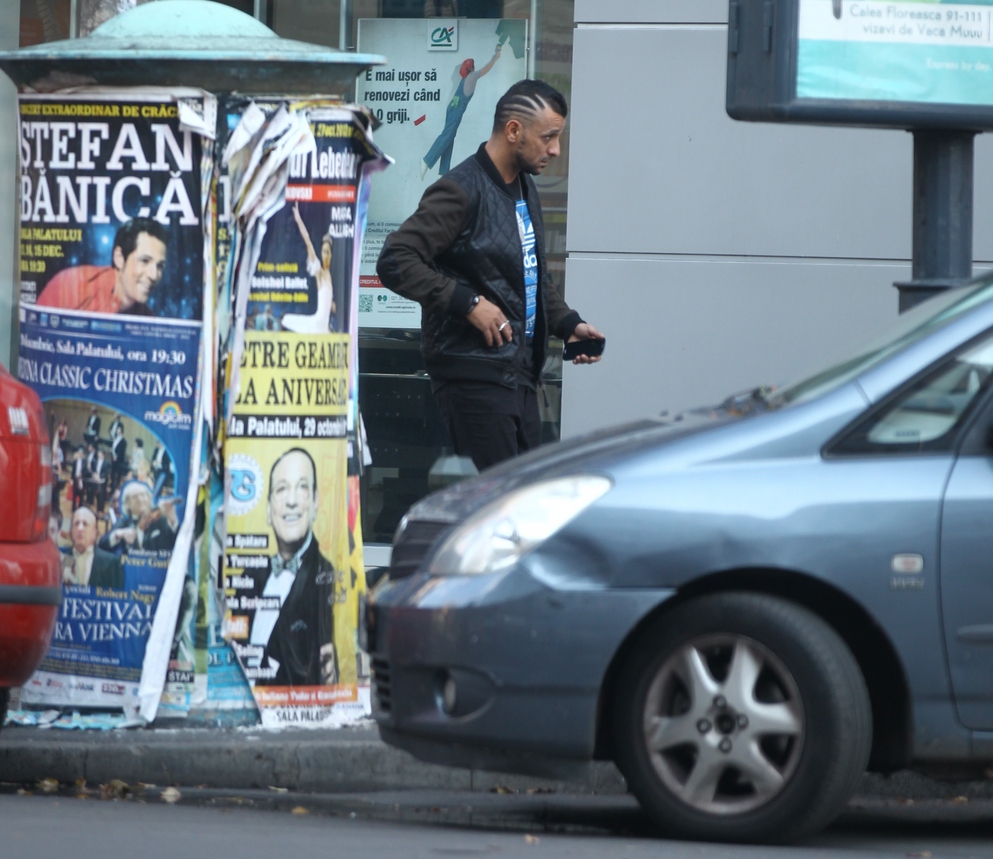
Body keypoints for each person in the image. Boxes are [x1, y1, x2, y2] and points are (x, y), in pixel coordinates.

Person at [378, 79, 603, 470]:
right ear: (514, 130)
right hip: (474, 378)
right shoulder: (459, 191)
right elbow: (396, 259)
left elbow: (530, 278)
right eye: (549, 137)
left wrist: (567, 323)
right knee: (499, 509)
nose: (556, 149)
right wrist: (468, 304)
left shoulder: (523, 188)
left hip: (517, 378)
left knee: (525, 502)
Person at [249, 448, 337, 687]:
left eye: (302, 487)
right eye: (281, 489)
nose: (291, 501)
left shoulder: (327, 576)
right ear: (268, 510)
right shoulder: (250, 577)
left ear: (316, 501)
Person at [35, 217, 168, 316]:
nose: (154, 275)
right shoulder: (70, 285)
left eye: (160, 266)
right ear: (119, 258)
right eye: (144, 261)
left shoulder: (147, 320)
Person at [421, 48, 502, 180]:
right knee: (447, 135)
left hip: (452, 108)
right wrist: (496, 58)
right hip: (457, 109)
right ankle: (427, 161)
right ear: (471, 68)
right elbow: (486, 69)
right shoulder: (473, 76)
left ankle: (443, 172)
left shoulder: (463, 80)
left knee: (449, 137)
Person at [280, 203, 336, 334]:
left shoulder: (329, 275)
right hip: (317, 325)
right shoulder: (320, 272)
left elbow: (327, 301)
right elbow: (308, 241)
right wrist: (298, 219)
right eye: (323, 252)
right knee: (286, 319)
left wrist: (331, 304)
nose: (325, 255)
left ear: (331, 254)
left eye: (328, 252)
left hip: (324, 327)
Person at [100, 480, 178, 554]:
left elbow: (176, 541)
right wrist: (118, 534)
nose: (140, 499)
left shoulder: (160, 519)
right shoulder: (124, 523)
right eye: (135, 497)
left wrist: (172, 519)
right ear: (127, 504)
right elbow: (103, 545)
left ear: (149, 499)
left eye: (143, 495)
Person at [62, 507, 124, 588]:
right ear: (71, 531)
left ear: (95, 533)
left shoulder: (111, 563)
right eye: (76, 524)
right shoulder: (62, 559)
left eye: (85, 524)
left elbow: (116, 598)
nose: (80, 528)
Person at [111, 424, 128, 491]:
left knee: (118, 474)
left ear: (122, 432)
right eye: (117, 430)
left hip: (119, 460)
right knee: (112, 473)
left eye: (119, 430)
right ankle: (112, 487)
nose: (118, 431)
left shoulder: (123, 441)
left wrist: (117, 456)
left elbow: (121, 451)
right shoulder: (115, 439)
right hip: (113, 458)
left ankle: (116, 488)